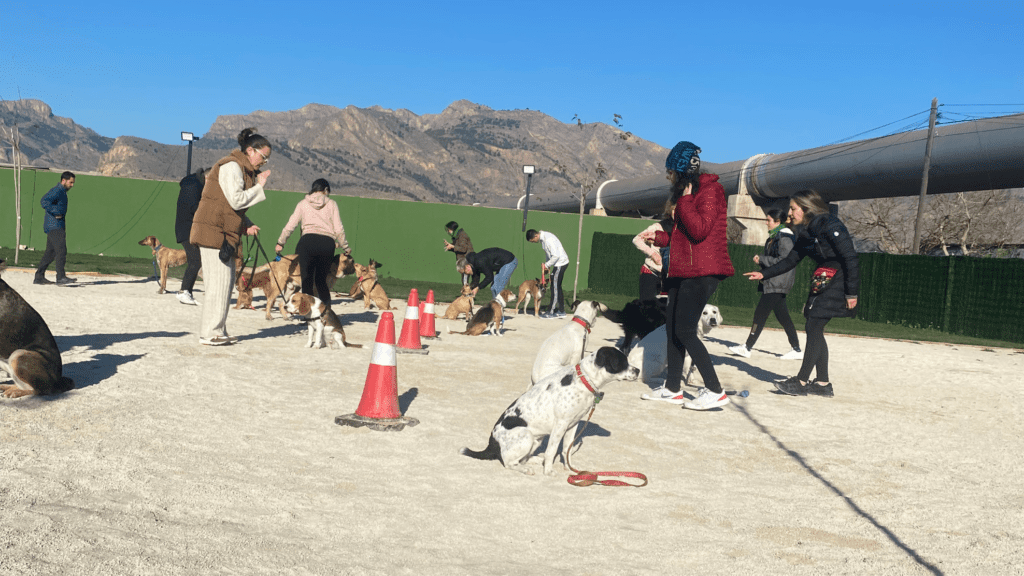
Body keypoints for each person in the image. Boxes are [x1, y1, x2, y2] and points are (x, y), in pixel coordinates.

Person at [638, 141, 734, 411]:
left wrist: (686, 201)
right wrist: (659, 236)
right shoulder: (691, 193)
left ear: (681, 170)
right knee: (672, 329)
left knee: (685, 330)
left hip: (703, 271)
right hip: (684, 269)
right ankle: (672, 389)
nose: (669, 177)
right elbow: (684, 235)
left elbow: (700, 229)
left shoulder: (710, 191)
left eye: (671, 171)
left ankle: (715, 391)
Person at [744, 190, 859, 397]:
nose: (790, 212)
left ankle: (801, 381)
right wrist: (763, 274)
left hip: (838, 279)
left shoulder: (830, 224)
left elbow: (850, 257)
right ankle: (823, 384)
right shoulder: (806, 232)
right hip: (822, 279)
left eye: (794, 208)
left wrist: (852, 293)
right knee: (814, 325)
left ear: (806, 208)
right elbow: (790, 261)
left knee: (814, 324)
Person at [189, 128, 272, 346]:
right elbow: (235, 200)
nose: (264, 162)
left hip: (224, 234)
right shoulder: (231, 166)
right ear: (250, 150)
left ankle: (219, 329)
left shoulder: (242, 170)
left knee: (225, 285)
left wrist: (246, 224)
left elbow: (228, 207)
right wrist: (260, 187)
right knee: (217, 285)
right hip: (213, 232)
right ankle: (210, 333)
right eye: (263, 157)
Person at [727, 207, 803, 360]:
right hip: (774, 281)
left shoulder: (784, 237)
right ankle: (796, 349)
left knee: (760, 314)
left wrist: (762, 259)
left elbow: (785, 261)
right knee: (783, 317)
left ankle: (747, 347)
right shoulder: (775, 236)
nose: (766, 223)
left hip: (778, 281)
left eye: (768, 220)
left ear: (778, 221)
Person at [275, 178, 350, 308]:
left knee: (306, 281)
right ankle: (326, 314)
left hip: (307, 243)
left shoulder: (303, 203)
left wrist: (280, 242)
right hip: (327, 244)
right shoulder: (332, 204)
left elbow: (290, 225)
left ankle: (307, 314)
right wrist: (345, 246)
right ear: (325, 190)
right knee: (321, 281)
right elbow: (339, 229)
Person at [34, 172, 77, 286]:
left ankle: (39, 277)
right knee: (61, 250)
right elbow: (44, 201)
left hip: (56, 225)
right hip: (54, 226)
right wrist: (55, 212)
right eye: (70, 182)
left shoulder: (61, 192)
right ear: (63, 180)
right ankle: (61, 277)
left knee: (50, 253)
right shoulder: (57, 191)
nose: (72, 185)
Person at [174, 167, 206, 305]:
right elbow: (195, 208)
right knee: (195, 261)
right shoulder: (192, 186)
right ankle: (184, 291)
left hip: (188, 229)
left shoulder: (193, 184)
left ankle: (187, 291)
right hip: (187, 230)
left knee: (197, 260)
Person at [526, 229, 569, 318]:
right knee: (557, 286)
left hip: (560, 263)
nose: (533, 242)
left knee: (554, 287)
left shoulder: (548, 239)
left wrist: (547, 265)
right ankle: (561, 311)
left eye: (533, 241)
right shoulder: (543, 239)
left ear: (535, 236)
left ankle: (551, 312)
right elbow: (548, 254)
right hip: (558, 263)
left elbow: (556, 255)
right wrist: (547, 265)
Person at [632, 215, 674, 302]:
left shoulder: (684, 230)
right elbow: (637, 239)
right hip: (651, 271)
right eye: (673, 209)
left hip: (670, 277)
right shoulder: (658, 226)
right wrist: (652, 254)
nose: (675, 212)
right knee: (646, 307)